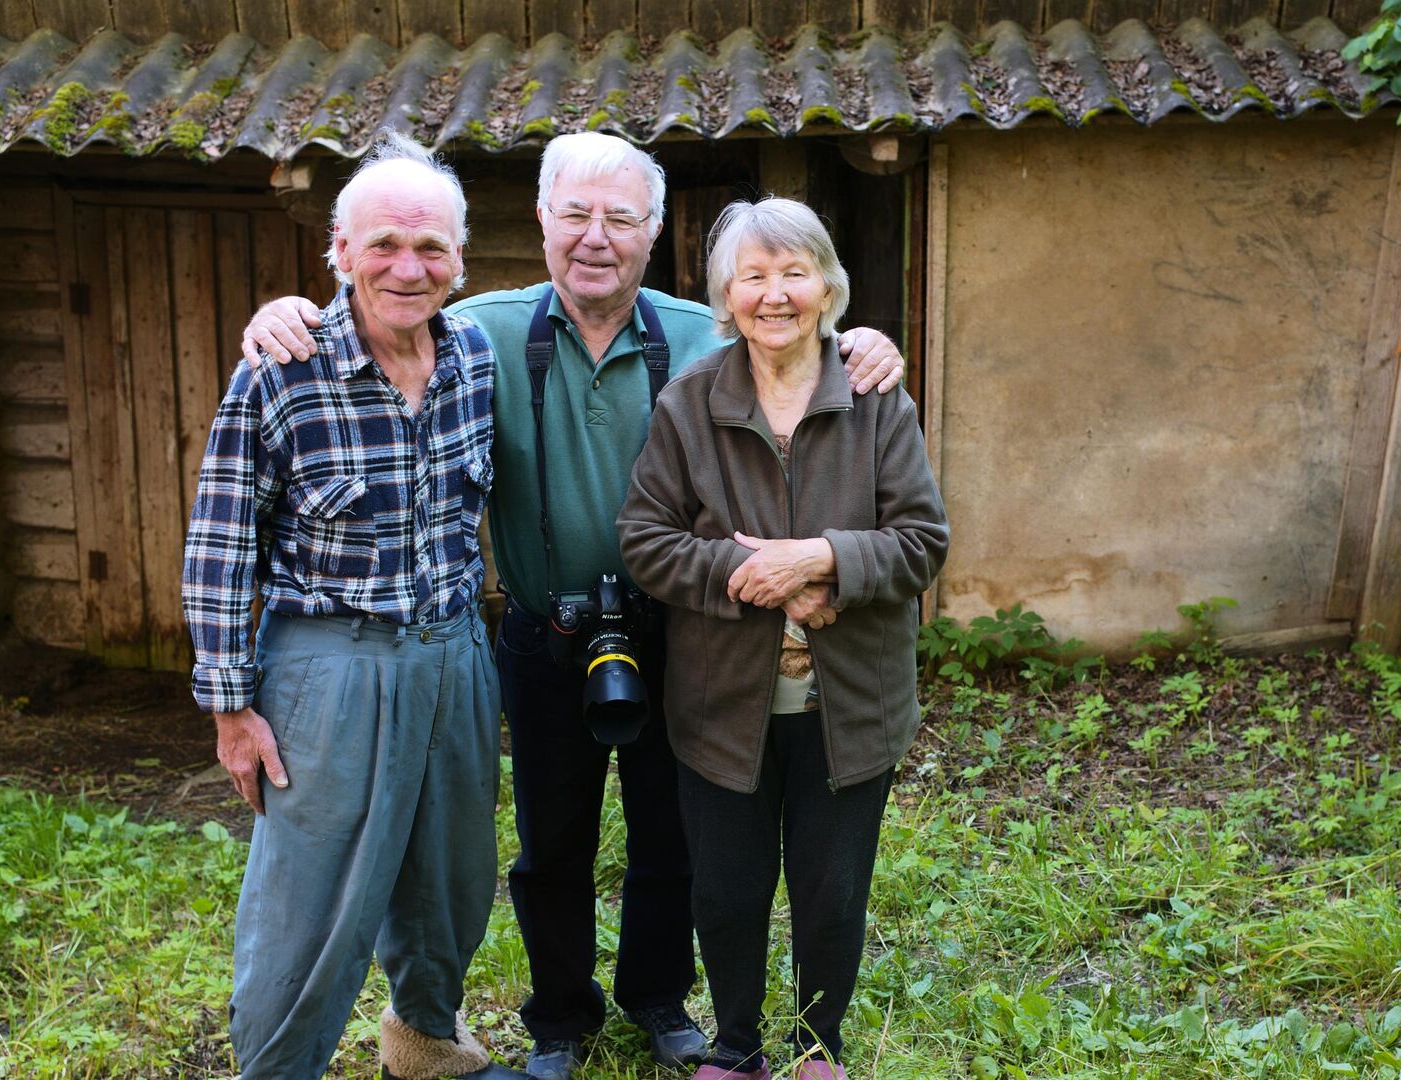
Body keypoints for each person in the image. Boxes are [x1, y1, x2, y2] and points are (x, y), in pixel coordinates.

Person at [241, 132, 908, 1079]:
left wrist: (867, 341)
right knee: (548, 843)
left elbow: (795, 328)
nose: (597, 238)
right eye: (577, 215)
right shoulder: (480, 329)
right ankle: (558, 1017)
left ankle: (658, 1000)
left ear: (654, 231)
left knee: (671, 835)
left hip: (683, 628)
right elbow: (385, 302)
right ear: (542, 222)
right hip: (538, 631)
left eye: (622, 218)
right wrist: (288, 315)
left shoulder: (701, 332)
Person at [182, 131, 527, 1080]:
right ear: (339, 250)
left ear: (461, 260)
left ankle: (423, 1038)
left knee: (451, 878)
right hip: (330, 668)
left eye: (431, 249)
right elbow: (219, 549)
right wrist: (231, 709)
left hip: (455, 656)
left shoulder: (475, 361)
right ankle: (277, 1066)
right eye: (382, 245)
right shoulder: (279, 369)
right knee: (310, 906)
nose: (407, 269)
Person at [617, 197, 948, 1080]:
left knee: (831, 891)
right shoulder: (690, 404)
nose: (775, 294)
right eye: (753, 276)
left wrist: (817, 559)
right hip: (724, 702)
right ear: (726, 294)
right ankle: (735, 1048)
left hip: (851, 703)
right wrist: (754, 578)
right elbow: (647, 541)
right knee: (725, 892)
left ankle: (817, 1048)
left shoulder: (876, 396)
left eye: (794, 273)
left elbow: (923, 541)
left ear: (828, 286)